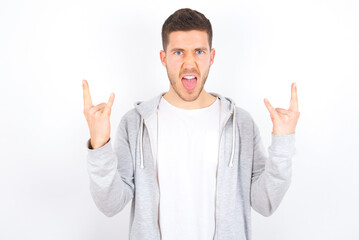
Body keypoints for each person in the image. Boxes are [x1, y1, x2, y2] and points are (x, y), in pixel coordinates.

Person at [83, 8, 300, 240]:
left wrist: (283, 144)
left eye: (199, 51)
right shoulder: (135, 123)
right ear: (163, 58)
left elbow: (265, 202)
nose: (189, 62)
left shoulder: (241, 124)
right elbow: (110, 204)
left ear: (212, 56)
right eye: (178, 52)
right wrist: (100, 144)